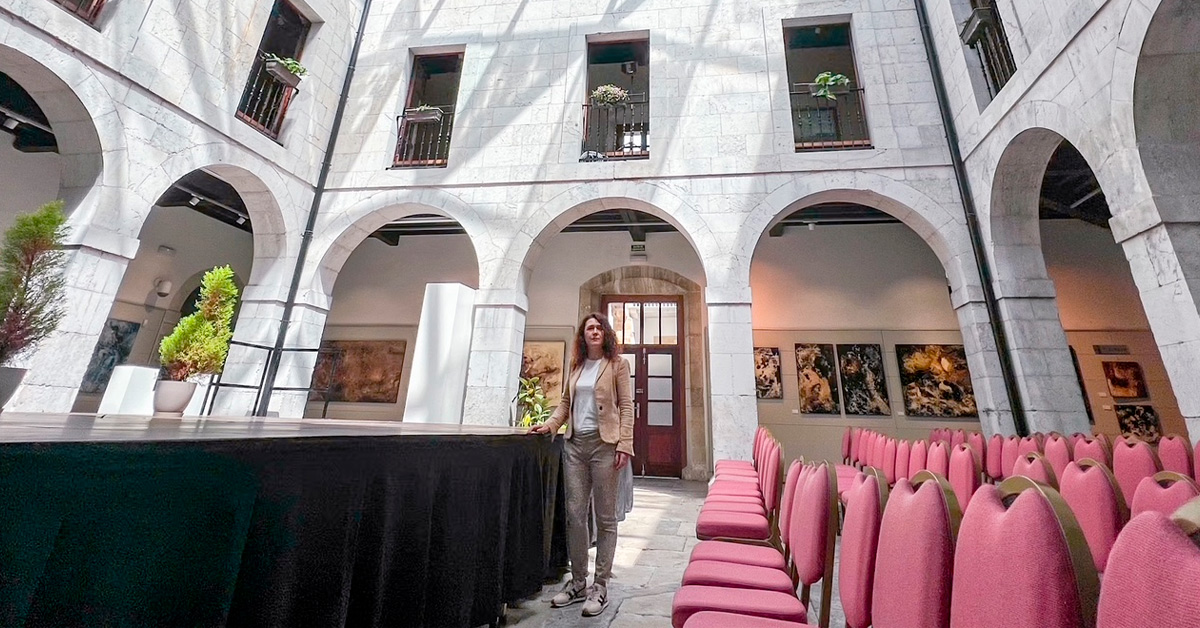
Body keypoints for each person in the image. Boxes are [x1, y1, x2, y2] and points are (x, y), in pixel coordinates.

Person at [529, 312, 633, 617]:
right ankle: (577, 582)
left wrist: (625, 444)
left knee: (605, 517)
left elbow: (626, 406)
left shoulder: (617, 365)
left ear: (606, 333)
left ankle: (600, 586)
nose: (595, 331)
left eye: (599, 327)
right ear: (583, 335)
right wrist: (550, 425)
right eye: (590, 328)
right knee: (575, 515)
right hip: (574, 445)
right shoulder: (577, 365)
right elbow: (565, 403)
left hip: (604, 445)